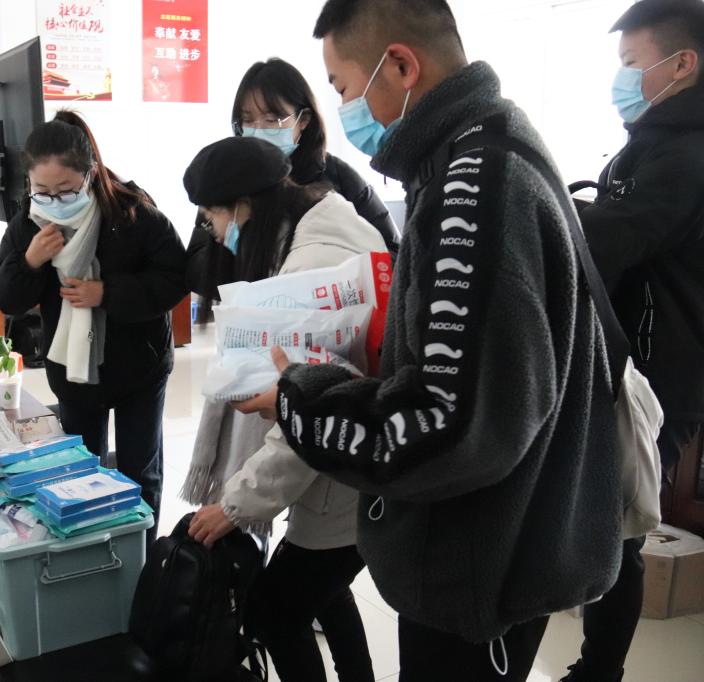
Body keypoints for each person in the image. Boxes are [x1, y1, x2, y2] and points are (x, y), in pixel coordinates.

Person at [236, 1, 626, 679]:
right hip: (505, 540)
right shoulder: (493, 142)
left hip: (478, 565)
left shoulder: (470, 188)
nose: (346, 107)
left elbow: (449, 423)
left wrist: (299, 400)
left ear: (401, 65)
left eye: (342, 86)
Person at [181, 135, 388, 682]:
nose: (214, 231)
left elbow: (307, 415)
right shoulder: (328, 223)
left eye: (212, 216)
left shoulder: (307, 271)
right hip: (358, 465)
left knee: (273, 614)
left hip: (339, 476)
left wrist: (234, 505)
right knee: (323, 592)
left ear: (243, 207)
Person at [563, 2, 704, 680]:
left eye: (631, 64)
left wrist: (545, 208)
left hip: (659, 375)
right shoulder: (652, 142)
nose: (622, 79)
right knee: (606, 525)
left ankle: (599, 671)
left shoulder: (687, 153)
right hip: (628, 364)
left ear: (682, 64)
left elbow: (619, 237)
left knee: (619, 533)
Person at [0, 110, 188, 543]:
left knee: (139, 472)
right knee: (79, 474)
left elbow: (174, 279)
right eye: (42, 191)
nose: (54, 201)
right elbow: (5, 296)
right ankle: (93, 560)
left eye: (66, 190)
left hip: (139, 367)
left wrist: (107, 293)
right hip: (74, 375)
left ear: (90, 174)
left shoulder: (133, 214)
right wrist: (30, 261)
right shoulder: (28, 225)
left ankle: (140, 561)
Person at [186, 57, 399, 303]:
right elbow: (198, 264)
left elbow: (391, 253)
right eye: (248, 120)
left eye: (272, 120)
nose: (258, 130)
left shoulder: (340, 179)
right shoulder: (229, 178)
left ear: (304, 120)